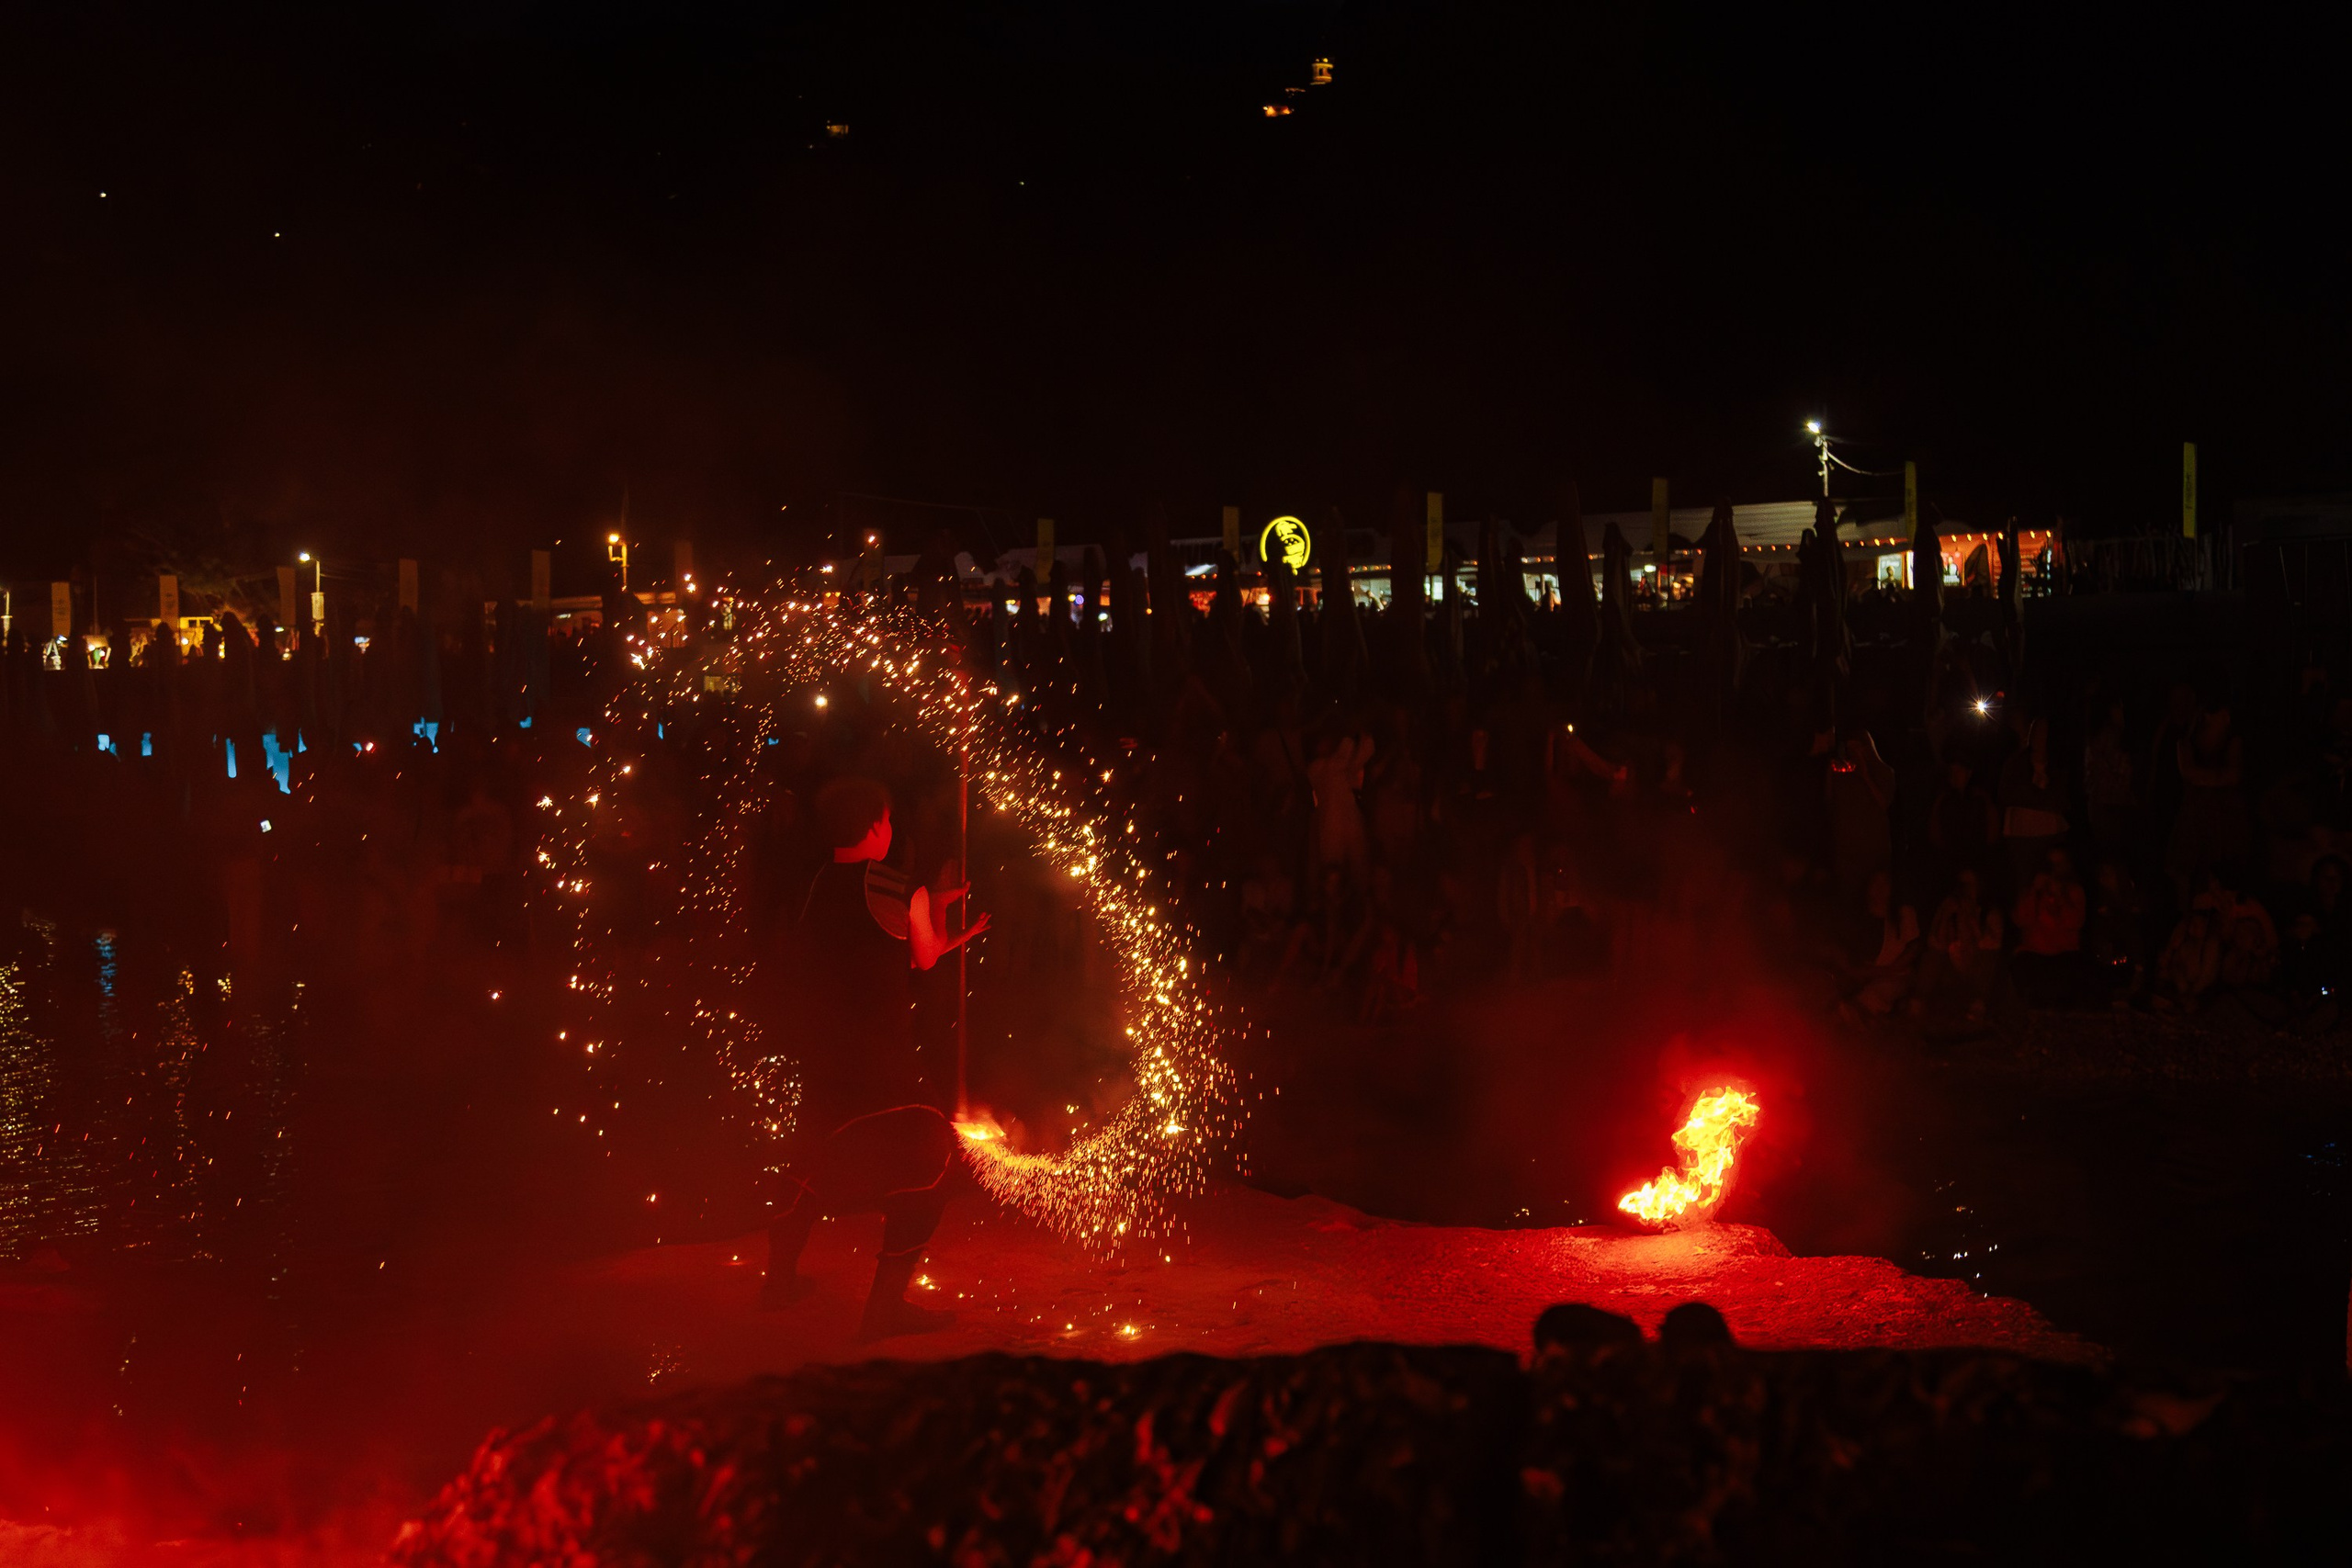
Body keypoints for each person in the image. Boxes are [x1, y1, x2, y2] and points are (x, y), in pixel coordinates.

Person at [763, 775, 989, 1337]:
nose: (890, 828)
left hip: (823, 1052)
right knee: (932, 1172)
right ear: (873, 827)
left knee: (808, 1166)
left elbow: (866, 950)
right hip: (881, 1059)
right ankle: (884, 1309)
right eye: (886, 819)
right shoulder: (894, 885)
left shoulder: (815, 883)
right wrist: (936, 908)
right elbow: (925, 957)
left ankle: (778, 1283)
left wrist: (933, 906)